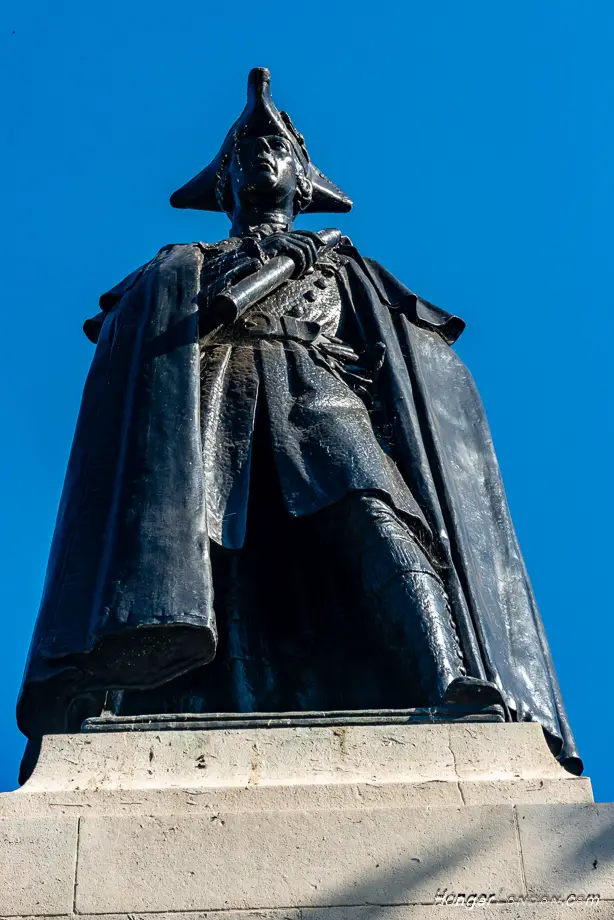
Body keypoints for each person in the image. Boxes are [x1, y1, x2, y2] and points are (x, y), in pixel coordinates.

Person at [17, 69, 581, 776]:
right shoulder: (184, 264)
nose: (260, 153)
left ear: (303, 178)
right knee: (182, 548)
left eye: (276, 147)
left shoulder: (349, 269)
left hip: (319, 395)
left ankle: (449, 677)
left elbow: (406, 359)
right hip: (212, 402)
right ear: (221, 183)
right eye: (243, 149)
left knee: (378, 517)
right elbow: (135, 343)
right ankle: (116, 693)